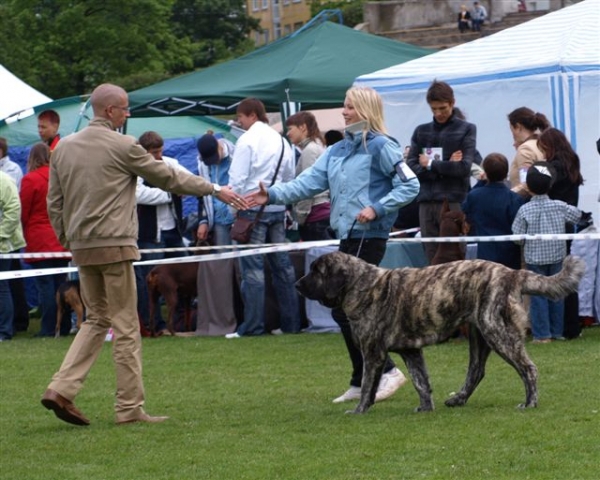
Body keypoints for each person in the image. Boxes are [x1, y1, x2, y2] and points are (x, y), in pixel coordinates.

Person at [40, 83, 246, 427]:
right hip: (116, 246)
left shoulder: (64, 148)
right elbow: (168, 177)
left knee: (95, 320)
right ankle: (129, 409)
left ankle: (61, 388)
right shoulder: (124, 146)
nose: (128, 114)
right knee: (125, 326)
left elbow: (54, 202)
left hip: (82, 247)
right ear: (109, 111)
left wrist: (69, 239)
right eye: (124, 108)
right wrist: (214, 189)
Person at [246, 86, 420, 404]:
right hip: (348, 235)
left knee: (349, 310)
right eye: (344, 105)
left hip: (369, 235)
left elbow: (410, 184)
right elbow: (309, 183)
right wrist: (271, 194)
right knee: (345, 310)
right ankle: (361, 378)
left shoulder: (382, 146)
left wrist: (378, 208)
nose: (344, 111)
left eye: (350, 107)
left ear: (365, 110)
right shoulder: (338, 150)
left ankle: (386, 371)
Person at [226, 98, 301, 338]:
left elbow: (237, 179)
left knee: (252, 270)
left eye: (240, 117)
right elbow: (290, 177)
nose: (239, 122)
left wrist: (233, 209)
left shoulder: (246, 140)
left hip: (250, 209)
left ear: (251, 116)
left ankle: (253, 326)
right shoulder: (282, 141)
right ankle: (291, 324)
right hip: (277, 208)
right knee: (283, 268)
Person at [511, 162, 585, 344]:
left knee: (538, 297)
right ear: (550, 185)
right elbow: (579, 216)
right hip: (557, 255)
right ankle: (557, 331)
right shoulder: (559, 206)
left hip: (534, 258)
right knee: (557, 293)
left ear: (528, 186)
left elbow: (516, 237)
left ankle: (542, 335)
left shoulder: (524, 209)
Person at [406, 80, 476, 264]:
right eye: (433, 109)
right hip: (425, 203)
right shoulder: (420, 131)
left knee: (456, 260)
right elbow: (411, 167)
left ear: (452, 103)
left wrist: (430, 164)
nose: (438, 113)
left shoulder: (466, 129)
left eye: (442, 108)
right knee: (432, 261)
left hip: (453, 203)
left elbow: (464, 168)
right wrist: (446, 165)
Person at [134, 130, 189, 336]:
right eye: (154, 152)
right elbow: (138, 194)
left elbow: (189, 179)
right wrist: (169, 193)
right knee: (151, 286)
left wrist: (187, 187)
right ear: (144, 152)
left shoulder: (170, 163)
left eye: (160, 151)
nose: (158, 156)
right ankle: (155, 325)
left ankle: (182, 323)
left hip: (174, 231)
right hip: (149, 236)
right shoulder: (136, 170)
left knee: (185, 278)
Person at [537, 128, 585, 339]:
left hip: (553, 225)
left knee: (556, 276)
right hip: (568, 223)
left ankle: (560, 326)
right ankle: (571, 325)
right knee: (567, 273)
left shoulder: (553, 167)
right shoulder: (572, 162)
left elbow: (539, 184)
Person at [20, 143, 71, 337]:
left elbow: (24, 212)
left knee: (45, 288)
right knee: (63, 287)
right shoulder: (61, 178)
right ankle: (64, 327)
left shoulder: (30, 180)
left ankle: (48, 328)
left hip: (40, 239)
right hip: (60, 237)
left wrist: (25, 231)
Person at [194, 133, 239, 336]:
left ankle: (244, 317)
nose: (213, 163)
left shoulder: (238, 154)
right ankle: (226, 319)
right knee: (223, 275)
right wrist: (204, 221)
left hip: (238, 220)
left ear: (220, 148)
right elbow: (202, 194)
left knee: (241, 273)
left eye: (215, 157)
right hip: (218, 224)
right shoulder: (202, 164)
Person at [462, 153, 524, 269]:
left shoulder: (475, 196)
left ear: (485, 172)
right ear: (506, 174)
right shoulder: (514, 199)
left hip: (484, 256)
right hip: (509, 257)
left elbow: (466, 210)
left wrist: (481, 181)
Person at [285, 111, 333, 241]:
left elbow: (308, 186)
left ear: (303, 127)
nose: (288, 133)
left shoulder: (310, 150)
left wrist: (300, 218)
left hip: (315, 215)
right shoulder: (319, 146)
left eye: (290, 129)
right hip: (322, 212)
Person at [0, 136, 29, 333]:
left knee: (3, 288)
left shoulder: (6, 178)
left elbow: (13, 209)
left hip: (5, 243)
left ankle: (5, 330)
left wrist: (1, 234)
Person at [507, 107, 550, 196]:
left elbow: (526, 184)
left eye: (512, 130)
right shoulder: (543, 144)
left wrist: (507, 195)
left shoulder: (525, 149)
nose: (512, 135)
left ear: (518, 127)